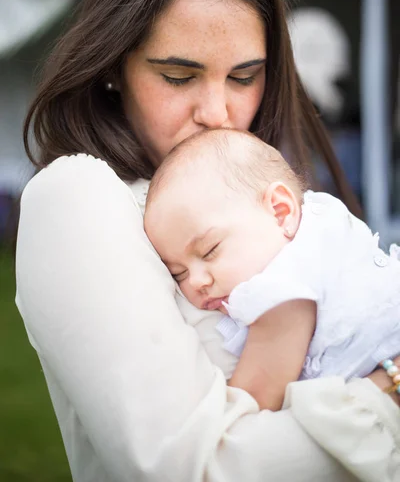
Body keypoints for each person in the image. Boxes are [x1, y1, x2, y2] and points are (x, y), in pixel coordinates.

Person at [16, 0, 399, 482]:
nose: (218, 114)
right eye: (178, 76)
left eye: (244, 77)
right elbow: (189, 470)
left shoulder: (252, 186)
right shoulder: (77, 195)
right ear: (113, 67)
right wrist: (388, 396)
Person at [144, 128, 400, 412]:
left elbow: (249, 409)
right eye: (178, 273)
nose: (197, 281)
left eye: (209, 250)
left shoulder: (283, 292)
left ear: (281, 211)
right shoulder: (321, 220)